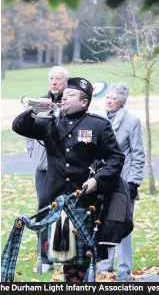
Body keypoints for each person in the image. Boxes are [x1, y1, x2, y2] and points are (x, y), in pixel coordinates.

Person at [12, 77, 125, 282]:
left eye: (71, 95)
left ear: (84, 102)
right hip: (55, 200)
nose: (64, 97)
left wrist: (98, 181)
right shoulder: (50, 122)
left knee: (81, 262)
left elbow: (116, 158)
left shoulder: (98, 125)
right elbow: (19, 126)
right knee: (64, 258)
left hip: (83, 201)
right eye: (64, 95)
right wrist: (34, 109)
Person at [97, 82, 145, 281]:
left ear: (122, 101)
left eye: (114, 98)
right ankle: (105, 266)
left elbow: (138, 154)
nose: (109, 101)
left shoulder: (132, 121)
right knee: (103, 222)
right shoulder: (99, 119)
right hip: (103, 180)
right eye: (107, 97)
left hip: (124, 182)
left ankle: (124, 268)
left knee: (123, 224)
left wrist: (134, 182)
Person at [25, 66, 69, 273]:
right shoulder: (40, 103)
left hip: (67, 170)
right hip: (44, 169)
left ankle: (63, 255)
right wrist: (34, 152)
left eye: (58, 78)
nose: (54, 81)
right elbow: (29, 130)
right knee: (43, 211)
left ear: (65, 81)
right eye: (51, 78)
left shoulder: (72, 103)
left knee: (66, 211)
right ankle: (44, 258)